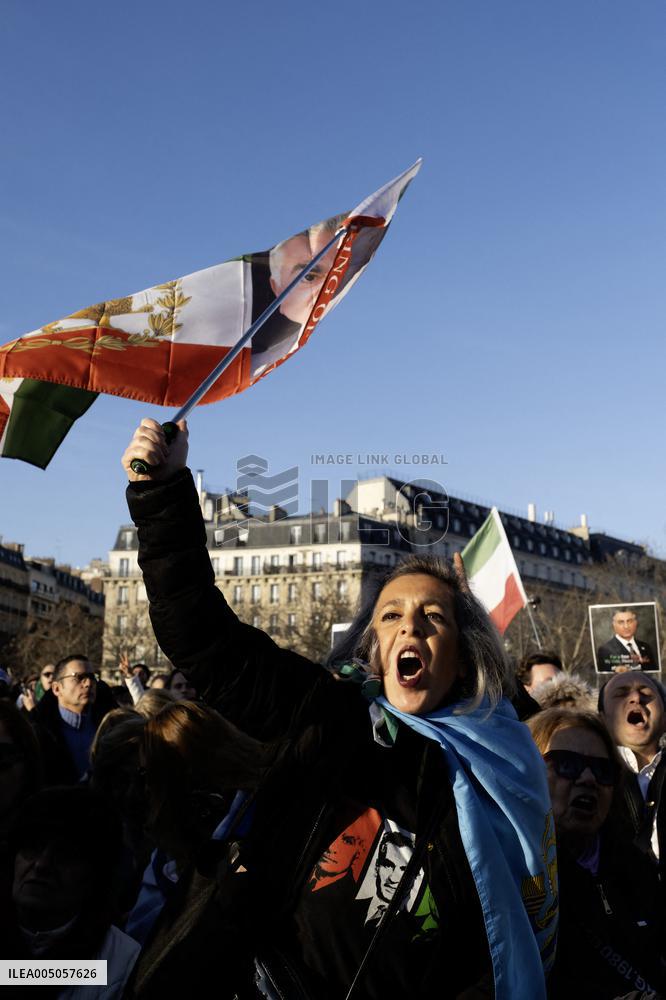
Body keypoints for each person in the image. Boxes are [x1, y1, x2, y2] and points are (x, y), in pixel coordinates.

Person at [121, 418, 558, 1000]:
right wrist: (163, 492)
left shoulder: (508, 767)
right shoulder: (328, 718)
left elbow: (492, 951)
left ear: (462, 657)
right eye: (391, 615)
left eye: (433, 617)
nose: (410, 625)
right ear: (373, 650)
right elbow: (203, 637)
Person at [528, 708, 665, 998]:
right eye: (567, 764)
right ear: (527, 769)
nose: (589, 779)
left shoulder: (637, 868)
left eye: (603, 770)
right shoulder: (512, 872)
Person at [3, 785, 140, 998]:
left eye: (65, 855)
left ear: (94, 876)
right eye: (33, 847)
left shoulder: (120, 962)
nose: (41, 865)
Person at [599, 670, 666, 869]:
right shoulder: (588, 777)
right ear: (602, 719)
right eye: (621, 694)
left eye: (647, 694)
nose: (636, 698)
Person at [30, 654, 115, 784]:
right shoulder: (38, 733)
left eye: (92, 677)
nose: (88, 683)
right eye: (79, 677)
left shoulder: (110, 728)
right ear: (57, 688)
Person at [596, 607, 658, 673]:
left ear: (635, 623)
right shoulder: (605, 650)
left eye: (630, 621)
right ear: (614, 625)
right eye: (621, 622)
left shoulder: (646, 647)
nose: (626, 626)